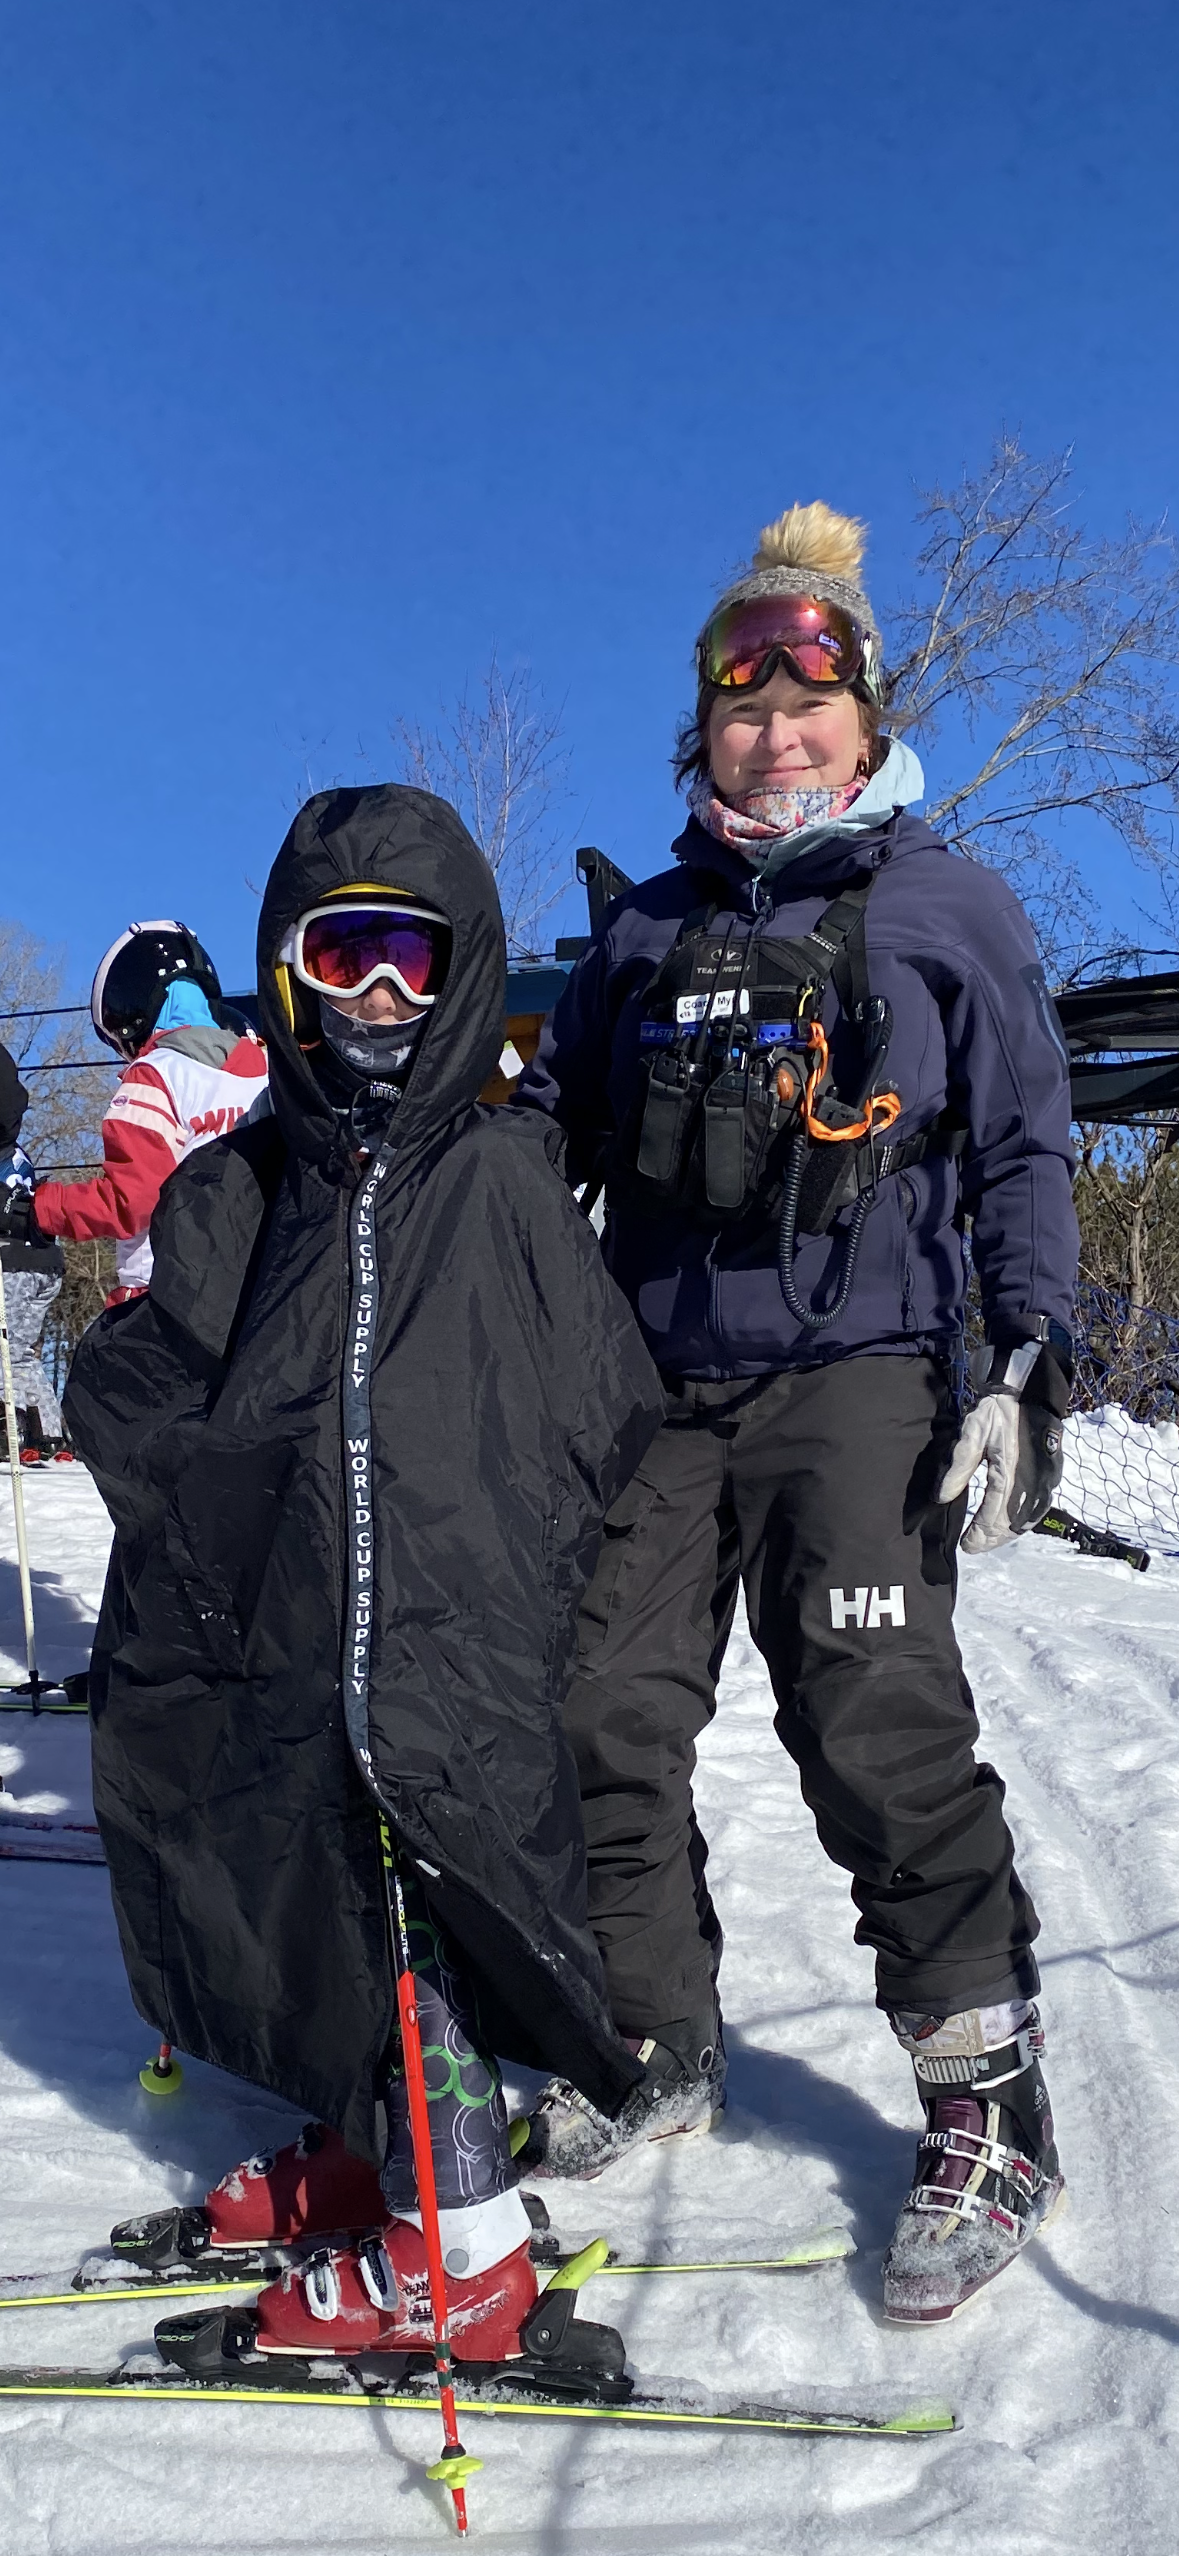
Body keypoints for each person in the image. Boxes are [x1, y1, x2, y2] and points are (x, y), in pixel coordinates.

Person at [512, 502, 1078, 2324]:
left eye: (803, 699)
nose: (770, 732)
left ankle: (983, 2097)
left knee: (869, 1720)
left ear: (861, 715)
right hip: (656, 1389)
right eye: (737, 706)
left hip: (860, 1378)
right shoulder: (641, 927)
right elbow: (549, 1148)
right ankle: (650, 2038)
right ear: (702, 730)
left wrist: (1024, 1359)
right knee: (597, 1708)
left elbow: (1022, 1144)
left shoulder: (942, 905)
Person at [63, 784, 664, 2380]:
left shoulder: (504, 1178)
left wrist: (524, 1563)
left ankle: (459, 2258)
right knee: (311, 1881)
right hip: (290, 1620)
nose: (382, 998)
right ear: (287, 971)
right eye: (345, 958)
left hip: (453, 1632)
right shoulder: (243, 1186)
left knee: (425, 1903)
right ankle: (369, 2147)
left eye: (413, 958)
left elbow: (604, 1406)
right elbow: (154, 1382)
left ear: (461, 970)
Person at [0, 924, 268, 1302]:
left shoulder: (156, 1074)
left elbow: (129, 1201)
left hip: (165, 1292)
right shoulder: (266, 1071)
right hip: (258, 1288)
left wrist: (33, 1210)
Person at [0, 1045, 69, 1460]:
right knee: (21, 1352)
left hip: (13, 1264)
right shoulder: (17, 1156)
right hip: (43, 1260)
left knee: (4, 1349)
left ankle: (16, 1431)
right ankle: (50, 1435)